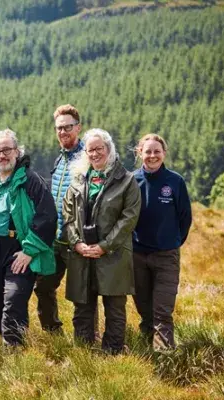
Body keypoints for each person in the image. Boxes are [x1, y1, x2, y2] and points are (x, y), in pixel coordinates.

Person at [0, 130, 57, 346]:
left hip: (19, 248)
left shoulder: (31, 181)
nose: (1, 155)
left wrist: (29, 251)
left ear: (17, 151)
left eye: (6, 150)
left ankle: (14, 356)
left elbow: (48, 216)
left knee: (13, 301)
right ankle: (13, 343)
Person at [63, 129, 141, 354]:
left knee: (115, 308)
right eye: (90, 150)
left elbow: (129, 219)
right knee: (82, 307)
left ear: (109, 150)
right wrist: (76, 243)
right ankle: (84, 354)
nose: (95, 154)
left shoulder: (126, 181)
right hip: (82, 253)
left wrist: (105, 246)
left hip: (114, 255)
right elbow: (68, 216)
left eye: (100, 149)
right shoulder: (78, 180)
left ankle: (113, 353)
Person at [132, 133, 192, 351]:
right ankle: (146, 351)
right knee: (145, 310)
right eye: (148, 151)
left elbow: (185, 217)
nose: (152, 155)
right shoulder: (131, 181)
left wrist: (173, 241)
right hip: (137, 255)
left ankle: (165, 360)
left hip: (166, 256)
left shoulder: (175, 182)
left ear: (164, 153)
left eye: (157, 151)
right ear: (140, 153)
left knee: (162, 312)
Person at [39, 104, 85, 333]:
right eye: (59, 127)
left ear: (79, 127)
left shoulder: (88, 157)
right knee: (44, 286)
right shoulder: (60, 159)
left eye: (68, 127)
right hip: (55, 239)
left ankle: (84, 342)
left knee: (81, 295)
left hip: (78, 241)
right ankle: (52, 333)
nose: (63, 131)